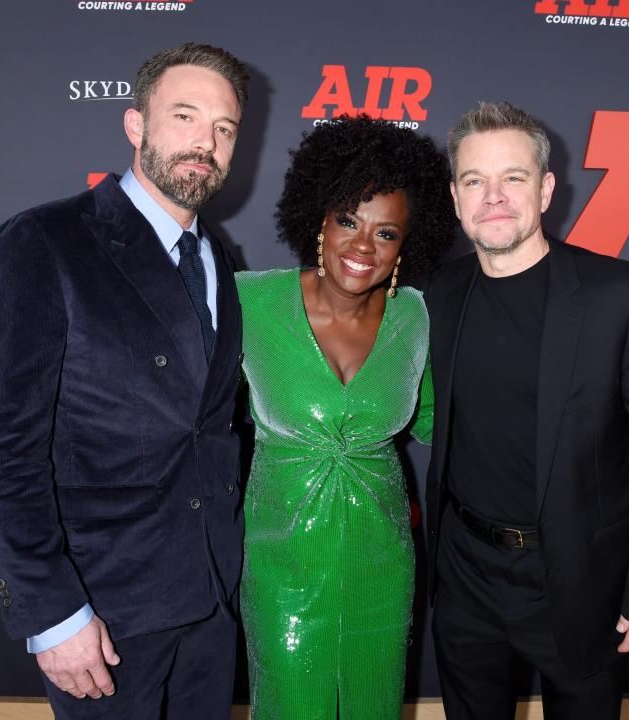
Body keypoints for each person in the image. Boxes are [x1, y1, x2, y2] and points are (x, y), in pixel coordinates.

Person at [0, 43, 249, 719]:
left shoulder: (222, 260)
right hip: (102, 616)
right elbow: (0, 445)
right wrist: (53, 614)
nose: (204, 143)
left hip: (211, 605)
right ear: (136, 125)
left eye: (225, 129)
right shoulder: (44, 243)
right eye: (184, 116)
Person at [425, 102, 629, 719]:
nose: (493, 197)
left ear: (547, 188)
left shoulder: (622, 297)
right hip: (466, 578)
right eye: (475, 181)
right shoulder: (436, 295)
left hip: (581, 580)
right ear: (454, 197)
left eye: (514, 178)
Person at [235, 116, 455, 719]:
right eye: (348, 221)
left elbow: (442, 423)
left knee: (371, 705)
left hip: (381, 564)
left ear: (407, 245)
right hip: (282, 562)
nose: (362, 247)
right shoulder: (250, 302)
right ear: (320, 221)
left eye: (385, 233)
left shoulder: (414, 317)